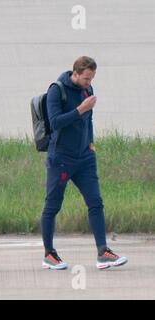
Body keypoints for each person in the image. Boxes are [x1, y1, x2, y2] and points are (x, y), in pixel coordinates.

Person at [41, 56, 128, 270]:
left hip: (85, 158)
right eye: (86, 78)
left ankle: (103, 252)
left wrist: (91, 144)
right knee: (53, 206)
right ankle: (49, 254)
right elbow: (55, 123)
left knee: (96, 202)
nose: (89, 82)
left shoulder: (87, 90)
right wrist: (80, 108)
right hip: (61, 158)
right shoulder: (56, 90)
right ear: (76, 73)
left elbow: (88, 120)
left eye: (92, 78)